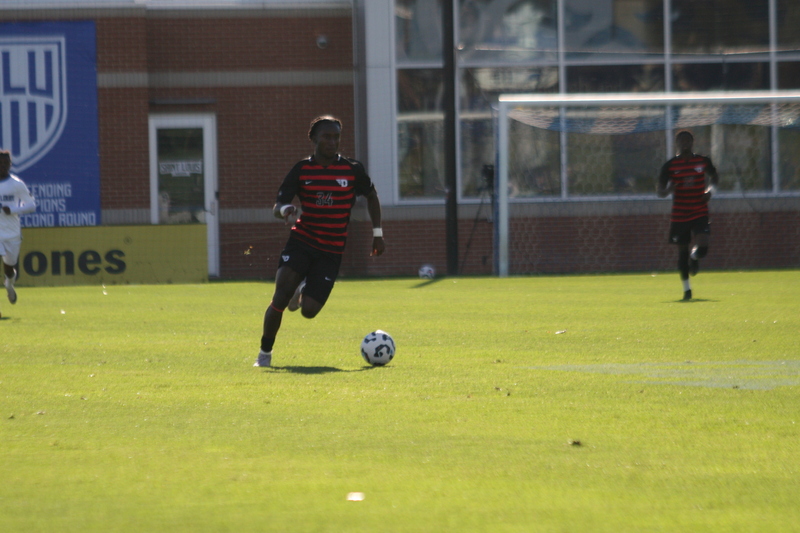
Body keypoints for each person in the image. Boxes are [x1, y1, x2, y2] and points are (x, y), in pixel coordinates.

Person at [255, 116, 385, 367]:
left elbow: (372, 196)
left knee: (309, 311)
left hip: (331, 250)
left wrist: (378, 234)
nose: (332, 141)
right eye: (327, 136)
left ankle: (302, 290)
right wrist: (284, 211)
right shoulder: (302, 170)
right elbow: (278, 203)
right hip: (302, 242)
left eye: (336, 137)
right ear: (314, 139)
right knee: (280, 296)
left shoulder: (352, 169)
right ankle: (264, 354)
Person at [657, 130, 719, 301]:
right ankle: (687, 290)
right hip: (680, 214)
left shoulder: (703, 161)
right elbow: (659, 191)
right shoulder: (670, 166)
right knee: (681, 253)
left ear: (692, 142)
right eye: (681, 141)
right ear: (677, 144)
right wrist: (668, 190)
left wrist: (710, 191)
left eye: (688, 141)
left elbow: (714, 177)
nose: (685, 144)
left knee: (703, 245)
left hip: (699, 210)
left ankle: (695, 256)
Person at [0, 150, 37, 307]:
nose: (3, 166)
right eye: (0, 163)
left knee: (9, 269)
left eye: (6, 163)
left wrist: (13, 210)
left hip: (12, 234)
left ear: (10, 165)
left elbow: (31, 206)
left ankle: (9, 284)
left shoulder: (16, 184)